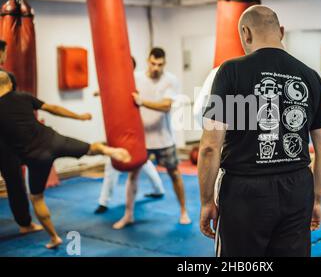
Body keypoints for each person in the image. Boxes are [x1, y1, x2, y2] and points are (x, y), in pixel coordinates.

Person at [198, 5, 321, 257]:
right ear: (281, 32)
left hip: (245, 191)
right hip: (297, 187)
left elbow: (209, 146)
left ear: (245, 33)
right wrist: (315, 199)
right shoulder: (312, 77)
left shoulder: (230, 71)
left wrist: (207, 201)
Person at [0, 71, 131, 248]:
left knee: (37, 198)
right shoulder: (24, 97)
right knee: (91, 148)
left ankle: (54, 237)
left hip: (36, 157)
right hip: (54, 141)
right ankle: (108, 150)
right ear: (10, 84)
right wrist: (80, 117)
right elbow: (54, 109)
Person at [115, 47, 191, 228]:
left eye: (160, 64)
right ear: (148, 61)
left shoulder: (171, 80)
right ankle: (128, 214)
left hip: (164, 138)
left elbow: (166, 106)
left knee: (174, 173)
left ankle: (183, 211)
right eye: (153, 63)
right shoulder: (137, 78)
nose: (156, 67)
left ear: (164, 63)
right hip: (141, 138)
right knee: (133, 174)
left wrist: (143, 102)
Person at [94, 56, 165, 215]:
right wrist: (102, 92)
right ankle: (103, 202)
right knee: (112, 165)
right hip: (118, 132)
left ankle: (158, 189)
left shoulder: (138, 80)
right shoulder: (114, 81)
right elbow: (108, 90)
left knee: (142, 160)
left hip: (135, 129)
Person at [0, 39, 42, 234]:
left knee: (15, 182)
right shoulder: (7, 78)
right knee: (15, 183)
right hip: (6, 141)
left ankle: (25, 223)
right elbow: (13, 108)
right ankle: (25, 224)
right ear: (1, 54)